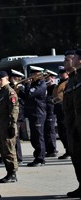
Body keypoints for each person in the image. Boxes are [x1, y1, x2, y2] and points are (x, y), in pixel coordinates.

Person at [63, 49, 81, 198]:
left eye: (69, 59)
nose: (65, 62)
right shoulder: (71, 80)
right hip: (72, 125)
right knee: (76, 155)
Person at [24, 66, 47, 167]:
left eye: (33, 74)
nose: (31, 76)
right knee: (34, 137)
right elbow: (26, 96)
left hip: (38, 113)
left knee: (38, 137)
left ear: (38, 74)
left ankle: (40, 158)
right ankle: (37, 156)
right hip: (32, 112)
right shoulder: (34, 83)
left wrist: (27, 84)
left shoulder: (41, 84)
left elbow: (29, 94)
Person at [53, 66, 70, 159]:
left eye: (63, 72)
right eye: (60, 73)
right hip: (59, 109)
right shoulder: (59, 82)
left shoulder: (68, 82)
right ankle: (67, 149)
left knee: (65, 131)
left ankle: (69, 150)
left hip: (65, 108)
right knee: (61, 131)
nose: (61, 74)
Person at [9, 69, 25, 164]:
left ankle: (19, 158)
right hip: (10, 113)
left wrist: (18, 87)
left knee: (16, 136)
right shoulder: (10, 86)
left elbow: (24, 99)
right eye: (12, 77)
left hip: (18, 114)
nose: (12, 79)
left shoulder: (21, 87)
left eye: (15, 77)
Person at [44, 70, 58, 157]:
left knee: (50, 130)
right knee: (46, 130)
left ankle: (53, 149)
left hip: (51, 110)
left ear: (52, 78)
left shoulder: (54, 87)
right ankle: (49, 149)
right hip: (45, 110)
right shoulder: (46, 87)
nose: (46, 79)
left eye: (48, 77)